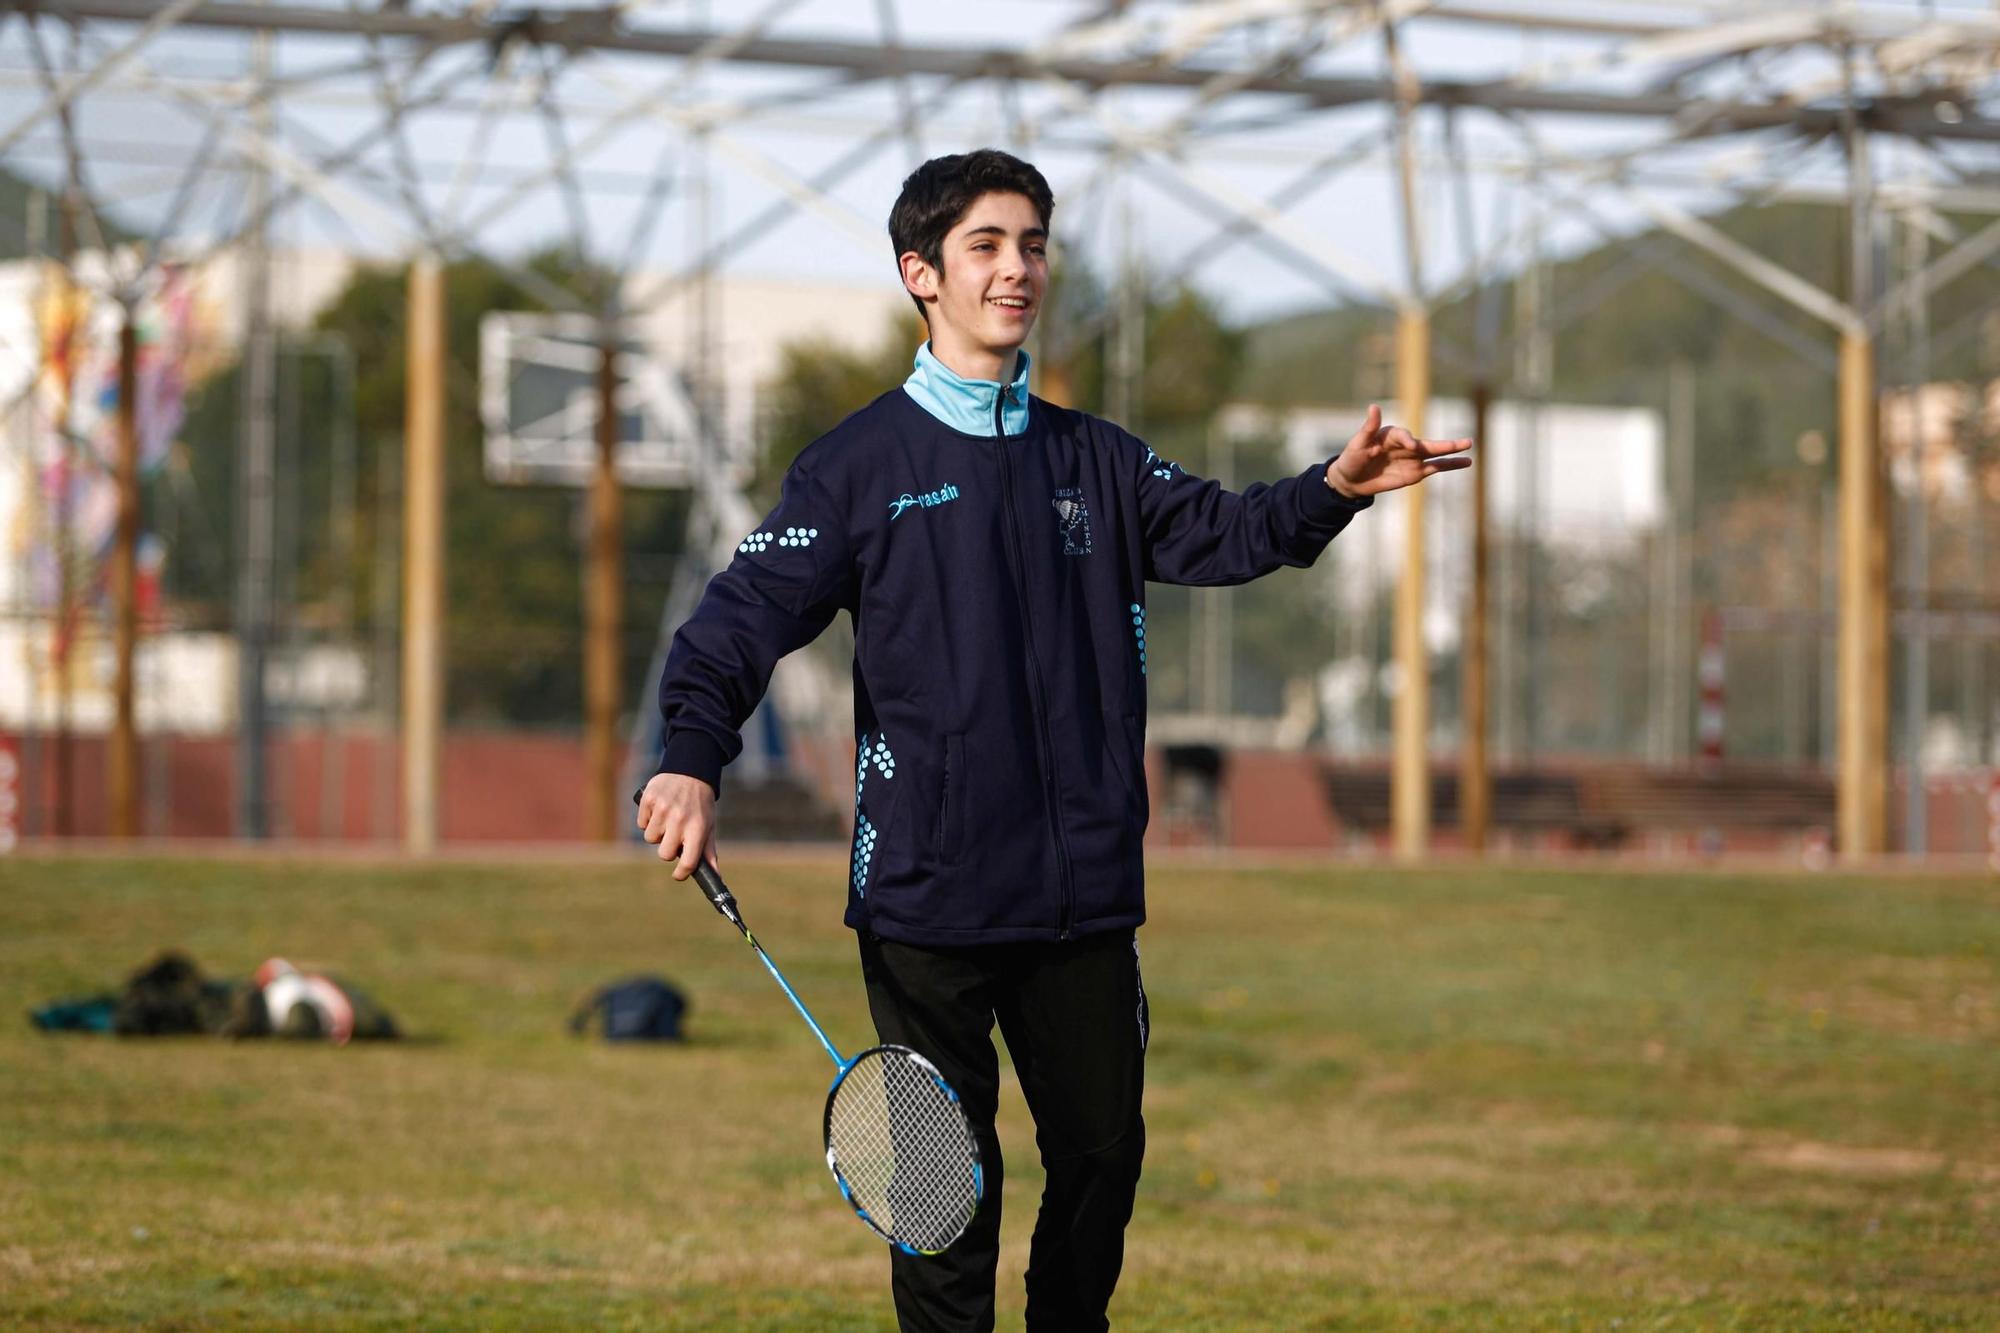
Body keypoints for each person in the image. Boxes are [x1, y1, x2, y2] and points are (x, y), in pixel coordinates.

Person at [636, 149, 1470, 1332]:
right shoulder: (855, 467)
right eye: (985, 246)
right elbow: (736, 623)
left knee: (1101, 1162)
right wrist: (687, 755)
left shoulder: (1099, 459)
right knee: (940, 1200)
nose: (1016, 268)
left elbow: (1230, 534)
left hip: (1080, 897)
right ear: (921, 274)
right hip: (928, 898)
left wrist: (1331, 487)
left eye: (1030, 244)